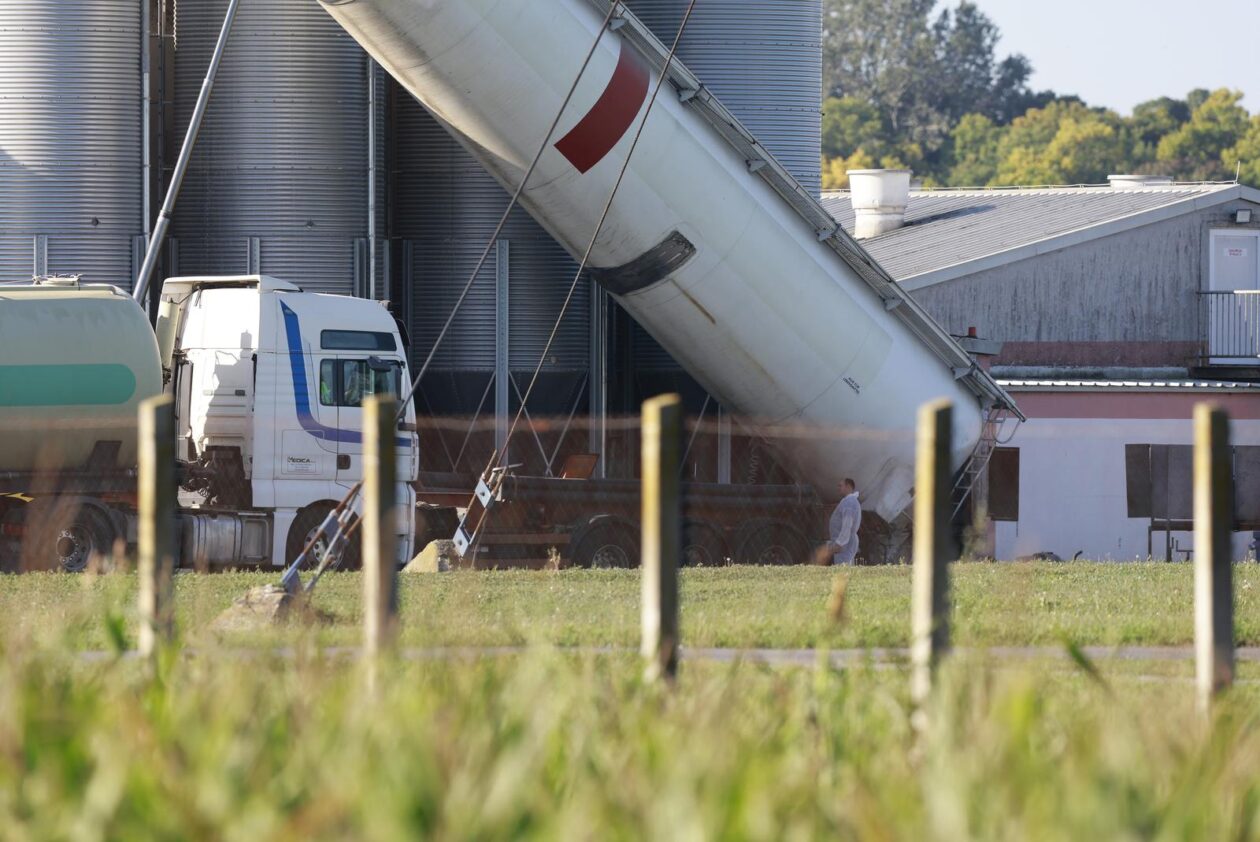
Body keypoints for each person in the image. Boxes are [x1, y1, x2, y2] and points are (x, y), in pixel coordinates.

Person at [829, 478, 862, 566]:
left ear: (848, 487)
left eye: (840, 486)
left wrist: (840, 543)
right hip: (845, 543)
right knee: (846, 569)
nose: (838, 488)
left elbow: (847, 524)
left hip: (844, 544)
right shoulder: (848, 501)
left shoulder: (849, 502)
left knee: (842, 571)